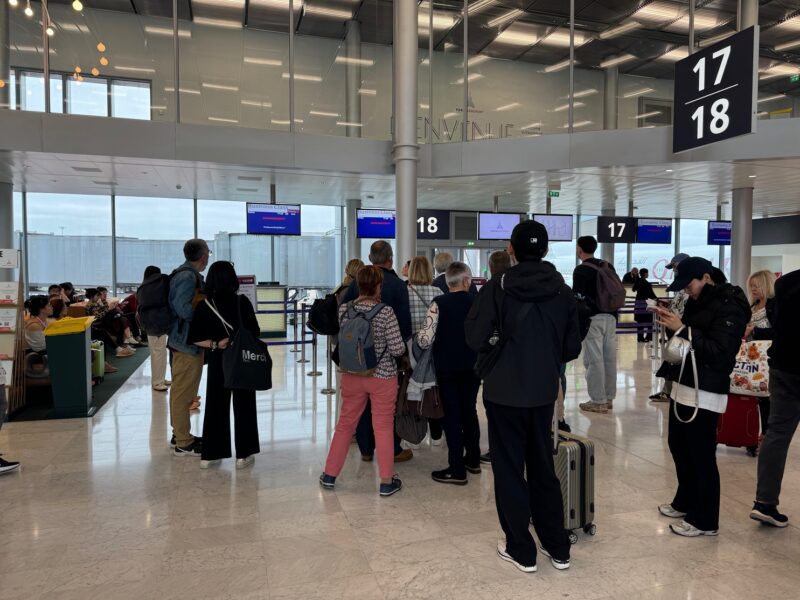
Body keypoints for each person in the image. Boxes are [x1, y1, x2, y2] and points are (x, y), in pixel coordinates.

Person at [466, 220, 581, 572]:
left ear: (511, 250)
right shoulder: (562, 291)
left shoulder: (497, 288)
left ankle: (521, 549)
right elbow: (571, 347)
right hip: (542, 393)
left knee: (509, 469)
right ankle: (557, 546)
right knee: (543, 467)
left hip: (502, 392)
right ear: (546, 250)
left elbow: (474, 337)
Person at [654, 257, 750, 537]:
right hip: (684, 382)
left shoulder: (730, 304)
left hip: (705, 390)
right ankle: (685, 500)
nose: (686, 291)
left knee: (701, 454)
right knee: (679, 445)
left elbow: (719, 350)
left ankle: (706, 519)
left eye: (689, 284)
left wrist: (681, 329)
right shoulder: (701, 301)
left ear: (706, 277)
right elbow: (693, 337)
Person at [320, 266, 405, 496]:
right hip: (383, 377)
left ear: (358, 285)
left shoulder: (345, 309)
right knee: (383, 427)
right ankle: (387, 481)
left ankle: (329, 474)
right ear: (379, 285)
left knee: (346, 424)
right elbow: (397, 348)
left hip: (352, 374)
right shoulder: (386, 312)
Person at [341, 241, 413, 463]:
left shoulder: (358, 283)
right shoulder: (399, 286)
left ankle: (365, 449)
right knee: (387, 409)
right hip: (387, 359)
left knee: (361, 404)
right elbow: (406, 326)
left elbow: (344, 315)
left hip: (358, 356)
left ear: (371, 259)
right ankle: (392, 449)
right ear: (390, 259)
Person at [189, 261, 262, 470]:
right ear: (233, 279)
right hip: (241, 360)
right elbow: (255, 332)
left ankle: (211, 454)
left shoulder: (205, 304)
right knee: (245, 405)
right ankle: (244, 454)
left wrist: (215, 344)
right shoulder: (242, 302)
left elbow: (194, 337)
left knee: (215, 405)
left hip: (218, 360)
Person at [416, 261, 480, 484]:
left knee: (452, 414)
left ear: (447, 281)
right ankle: (473, 459)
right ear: (466, 281)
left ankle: (457, 468)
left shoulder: (438, 303)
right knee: (469, 411)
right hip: (473, 366)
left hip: (447, 368)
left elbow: (425, 338)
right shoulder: (477, 302)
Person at [751, 268, 800, 528]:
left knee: (777, 434)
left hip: (784, 367)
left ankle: (765, 503)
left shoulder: (787, 283)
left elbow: (777, 325)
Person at [168, 238, 211, 457]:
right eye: (207, 255)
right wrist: (204, 320)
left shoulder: (186, 274)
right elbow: (182, 308)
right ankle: (183, 441)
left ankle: (180, 433)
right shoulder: (187, 276)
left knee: (183, 391)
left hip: (184, 341)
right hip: (185, 343)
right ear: (203, 256)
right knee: (182, 393)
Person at [573, 236, 619, 414]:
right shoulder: (607, 266)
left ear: (579, 249)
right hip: (612, 316)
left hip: (593, 318)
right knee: (609, 359)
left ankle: (597, 400)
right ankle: (608, 398)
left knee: (594, 361)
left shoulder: (581, 270)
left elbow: (578, 298)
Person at [406, 256, 444, 446]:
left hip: (412, 350)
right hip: (433, 349)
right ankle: (436, 434)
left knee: (412, 388)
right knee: (432, 389)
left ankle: (414, 435)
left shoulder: (405, 292)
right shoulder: (438, 292)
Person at [479, 250, 512, 465]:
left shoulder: (489, 290)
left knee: (494, 405)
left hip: (494, 358)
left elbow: (478, 330)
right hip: (519, 358)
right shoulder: (518, 288)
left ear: (491, 267)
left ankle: (497, 449)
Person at [650, 253, 689, 403]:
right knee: (672, 359)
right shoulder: (681, 288)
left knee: (675, 360)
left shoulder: (690, 288)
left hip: (682, 330)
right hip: (674, 329)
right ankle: (668, 391)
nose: (674, 271)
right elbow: (677, 307)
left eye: (675, 267)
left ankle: (671, 392)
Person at [746, 270, 777, 435]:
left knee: (765, 396)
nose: (753, 289)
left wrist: (755, 331)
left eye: (756, 286)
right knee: (752, 394)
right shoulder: (753, 305)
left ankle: (765, 433)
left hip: (768, 358)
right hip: (752, 356)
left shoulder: (774, 305)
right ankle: (751, 433)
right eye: (751, 286)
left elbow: (779, 332)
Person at [137, 266, 171, 392]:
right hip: (161, 321)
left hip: (150, 322)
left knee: (157, 352)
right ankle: (158, 381)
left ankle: (159, 380)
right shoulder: (161, 283)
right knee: (160, 352)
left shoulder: (144, 287)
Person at [633, 268, 657, 343]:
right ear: (645, 274)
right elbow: (651, 294)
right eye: (647, 273)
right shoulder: (646, 284)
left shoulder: (638, 281)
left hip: (638, 303)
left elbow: (634, 289)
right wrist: (656, 299)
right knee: (649, 320)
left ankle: (640, 337)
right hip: (646, 303)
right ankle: (649, 336)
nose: (648, 274)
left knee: (640, 321)